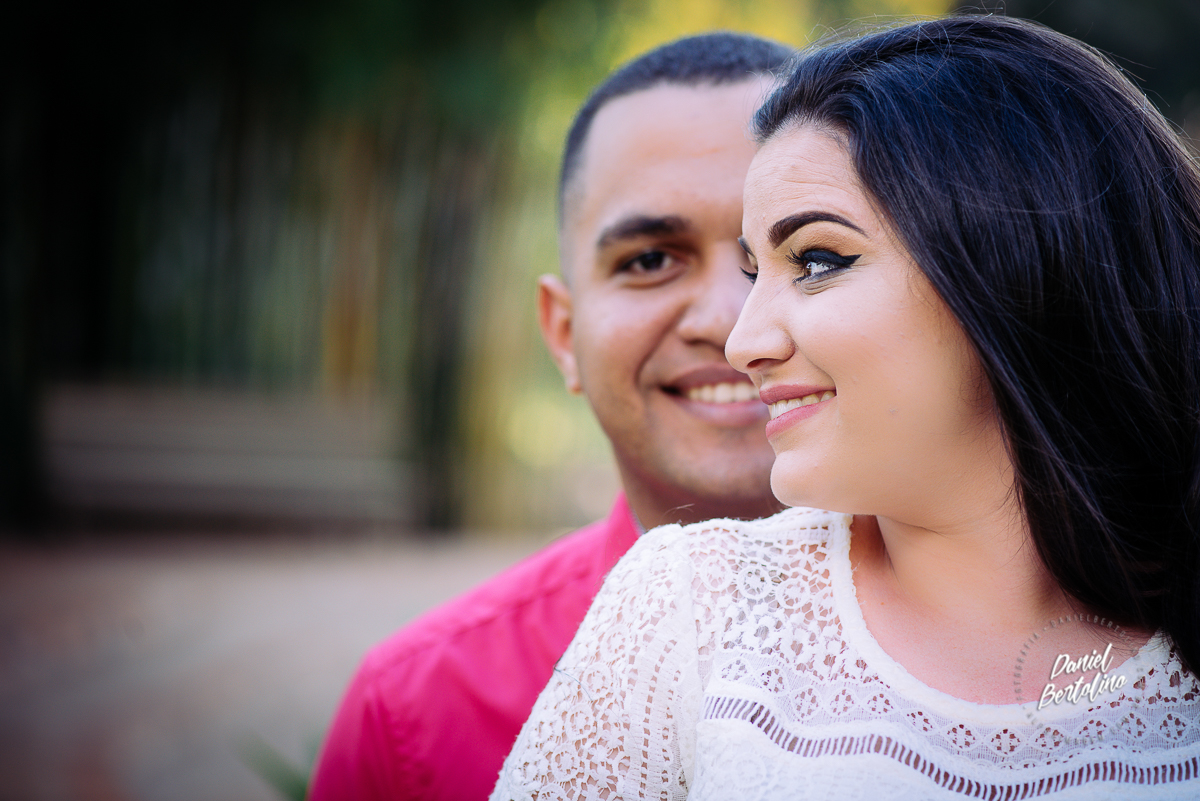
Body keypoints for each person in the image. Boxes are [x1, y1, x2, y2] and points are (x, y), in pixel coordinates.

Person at [492, 16, 1200, 799]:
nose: (742, 338)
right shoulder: (691, 617)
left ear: (1021, 271)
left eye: (818, 261)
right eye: (760, 268)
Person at [307, 32, 793, 801]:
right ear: (564, 334)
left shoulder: (1033, 659)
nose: (730, 320)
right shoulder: (414, 712)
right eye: (649, 260)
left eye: (791, 252)